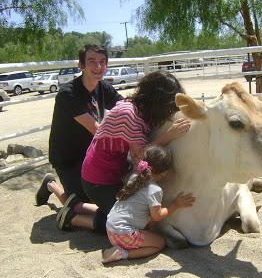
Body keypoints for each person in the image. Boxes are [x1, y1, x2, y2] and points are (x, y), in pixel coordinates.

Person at [55, 70, 191, 233]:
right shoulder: (129, 115)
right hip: (99, 180)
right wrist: (169, 136)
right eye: (168, 105)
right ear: (157, 100)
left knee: (125, 211)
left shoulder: (137, 110)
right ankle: (73, 218)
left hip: (111, 175)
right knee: (130, 223)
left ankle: (77, 206)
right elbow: (141, 155)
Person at [35, 44, 123, 214]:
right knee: (83, 204)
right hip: (69, 159)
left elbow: (126, 106)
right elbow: (96, 130)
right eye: (92, 61)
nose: (98, 67)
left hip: (90, 153)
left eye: (102, 62)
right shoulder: (68, 93)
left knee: (105, 196)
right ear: (81, 65)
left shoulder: (103, 87)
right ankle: (51, 185)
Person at [102, 145, 195, 263]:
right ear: (165, 173)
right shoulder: (154, 190)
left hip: (110, 228)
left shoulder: (134, 177)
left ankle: (123, 246)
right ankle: (123, 253)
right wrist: (176, 204)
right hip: (123, 234)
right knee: (159, 243)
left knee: (149, 226)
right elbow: (157, 216)